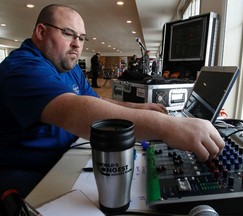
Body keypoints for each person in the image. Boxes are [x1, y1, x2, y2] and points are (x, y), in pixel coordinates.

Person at [0, 4, 224, 198]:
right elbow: (73, 110)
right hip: (28, 169)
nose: (77, 44)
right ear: (41, 32)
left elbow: (94, 100)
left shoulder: (67, 67)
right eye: (69, 34)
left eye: (81, 38)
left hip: (63, 156)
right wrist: (166, 126)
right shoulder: (21, 68)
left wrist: (140, 108)